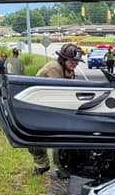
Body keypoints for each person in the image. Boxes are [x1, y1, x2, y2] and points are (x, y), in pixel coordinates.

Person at [31, 43, 84, 175]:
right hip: (38, 106)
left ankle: (61, 167)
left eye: (76, 62)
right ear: (63, 58)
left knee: (62, 137)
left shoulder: (68, 70)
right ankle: (42, 165)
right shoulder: (53, 69)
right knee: (36, 138)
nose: (75, 64)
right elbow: (59, 93)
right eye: (72, 61)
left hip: (52, 105)